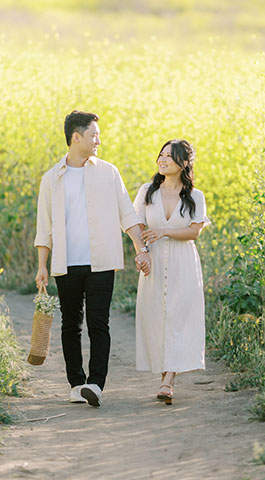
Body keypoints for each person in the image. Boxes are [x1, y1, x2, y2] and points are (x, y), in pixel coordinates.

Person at [35, 110, 151, 407]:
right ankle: (76, 384)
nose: (99, 140)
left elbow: (128, 214)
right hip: (65, 264)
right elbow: (44, 227)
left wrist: (141, 249)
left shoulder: (108, 172)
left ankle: (96, 384)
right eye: (93, 135)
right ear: (76, 137)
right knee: (70, 326)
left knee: (99, 324)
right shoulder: (52, 178)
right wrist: (41, 266)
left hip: (101, 262)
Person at [133, 139, 209, 404]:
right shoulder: (147, 192)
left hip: (183, 261)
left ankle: (169, 379)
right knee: (156, 315)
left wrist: (164, 231)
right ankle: (165, 373)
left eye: (169, 156)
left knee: (178, 314)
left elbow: (194, 231)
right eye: (161, 155)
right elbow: (136, 226)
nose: (162, 160)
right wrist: (141, 253)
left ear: (184, 163)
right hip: (153, 260)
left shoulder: (195, 196)